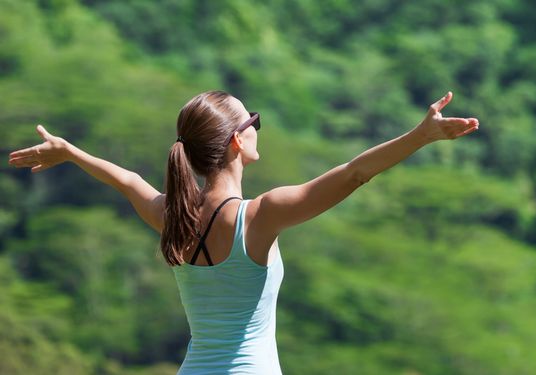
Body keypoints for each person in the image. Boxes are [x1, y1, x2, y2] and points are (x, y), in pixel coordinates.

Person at [7, 90, 479, 374]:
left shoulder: (173, 218)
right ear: (237, 140)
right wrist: (422, 135)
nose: (257, 126)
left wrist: (70, 152)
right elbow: (354, 173)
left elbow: (127, 180)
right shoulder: (259, 216)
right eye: (252, 120)